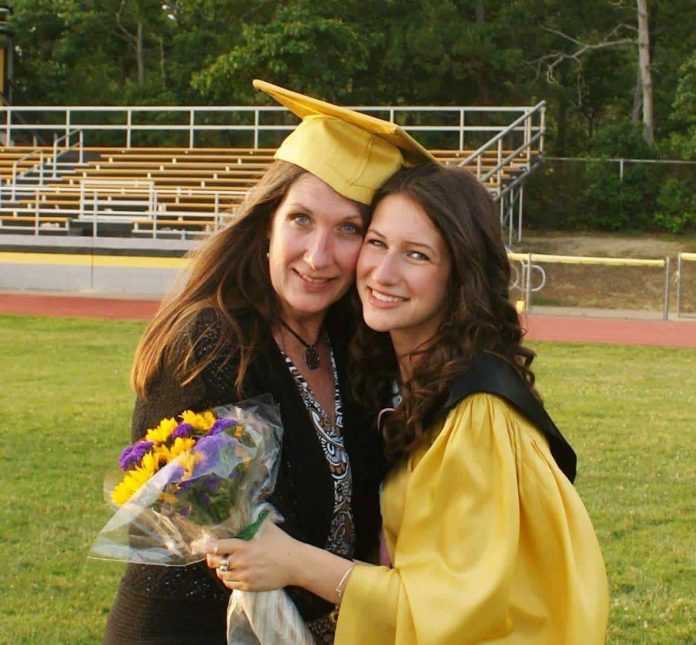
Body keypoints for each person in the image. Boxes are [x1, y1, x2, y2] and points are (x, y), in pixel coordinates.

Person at [206, 163, 610, 644]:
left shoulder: (479, 416)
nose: (383, 273)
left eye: (416, 255)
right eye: (376, 243)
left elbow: (453, 614)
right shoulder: (402, 382)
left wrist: (296, 563)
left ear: (459, 275)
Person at [103, 81, 434, 644]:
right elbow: (197, 547)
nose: (318, 256)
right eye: (301, 219)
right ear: (268, 223)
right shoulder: (207, 346)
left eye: (349, 229)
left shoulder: (359, 344)